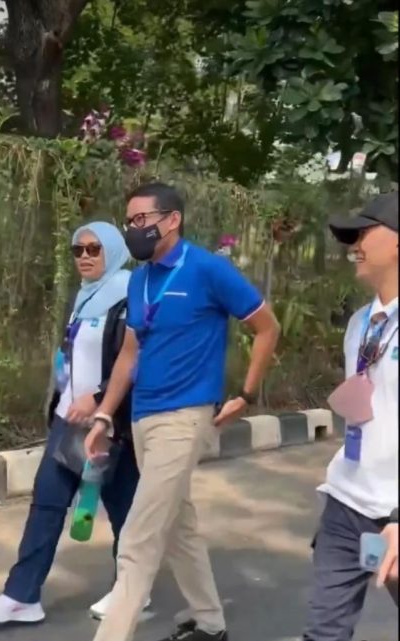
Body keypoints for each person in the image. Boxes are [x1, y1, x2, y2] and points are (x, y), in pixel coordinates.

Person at [84, 182, 281, 641]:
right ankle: (210, 622)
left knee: (138, 538)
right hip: (143, 418)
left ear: (172, 220)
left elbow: (267, 327)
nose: (133, 230)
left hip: (184, 417)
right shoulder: (140, 279)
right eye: (128, 222)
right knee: (177, 525)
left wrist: (246, 394)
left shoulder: (208, 270)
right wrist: (104, 415)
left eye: (141, 220)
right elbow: (129, 354)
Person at [0, 221, 149, 624]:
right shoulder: (84, 297)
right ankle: (22, 596)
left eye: (94, 249)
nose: (85, 257)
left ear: (113, 251)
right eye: (78, 250)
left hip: (110, 423)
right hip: (67, 420)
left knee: (124, 511)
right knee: (46, 503)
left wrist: (100, 398)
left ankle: (132, 590)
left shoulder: (130, 296)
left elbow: (136, 361)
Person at [302, 192, 398, 641]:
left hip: (395, 510)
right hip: (346, 503)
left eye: (363, 233)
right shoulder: (361, 323)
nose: (353, 246)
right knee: (324, 633)